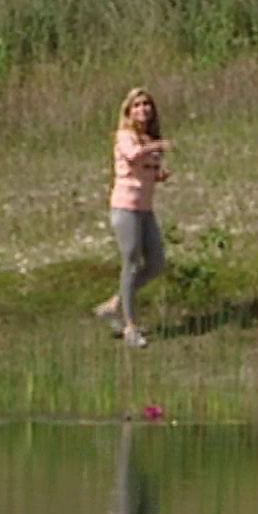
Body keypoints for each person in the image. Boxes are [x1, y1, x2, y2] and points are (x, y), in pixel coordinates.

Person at [93, 87, 171, 348]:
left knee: (156, 263)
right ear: (128, 111)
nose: (142, 109)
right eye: (137, 105)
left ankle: (114, 304)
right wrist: (157, 146)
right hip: (125, 208)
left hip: (145, 208)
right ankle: (131, 327)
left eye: (146, 104)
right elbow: (132, 155)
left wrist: (158, 174)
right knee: (132, 262)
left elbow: (145, 167)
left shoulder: (147, 137)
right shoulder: (125, 135)